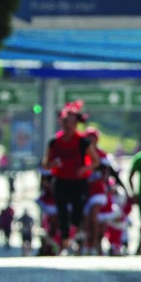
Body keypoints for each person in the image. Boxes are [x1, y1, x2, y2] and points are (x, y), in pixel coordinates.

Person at [43, 100, 100, 254]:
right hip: (60, 181)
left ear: (76, 123)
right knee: (61, 212)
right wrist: (53, 163)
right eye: (64, 122)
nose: (67, 125)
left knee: (77, 212)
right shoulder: (54, 142)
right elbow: (46, 164)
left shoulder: (83, 142)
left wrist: (84, 168)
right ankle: (65, 242)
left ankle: (78, 236)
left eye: (70, 122)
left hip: (78, 182)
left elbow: (95, 162)